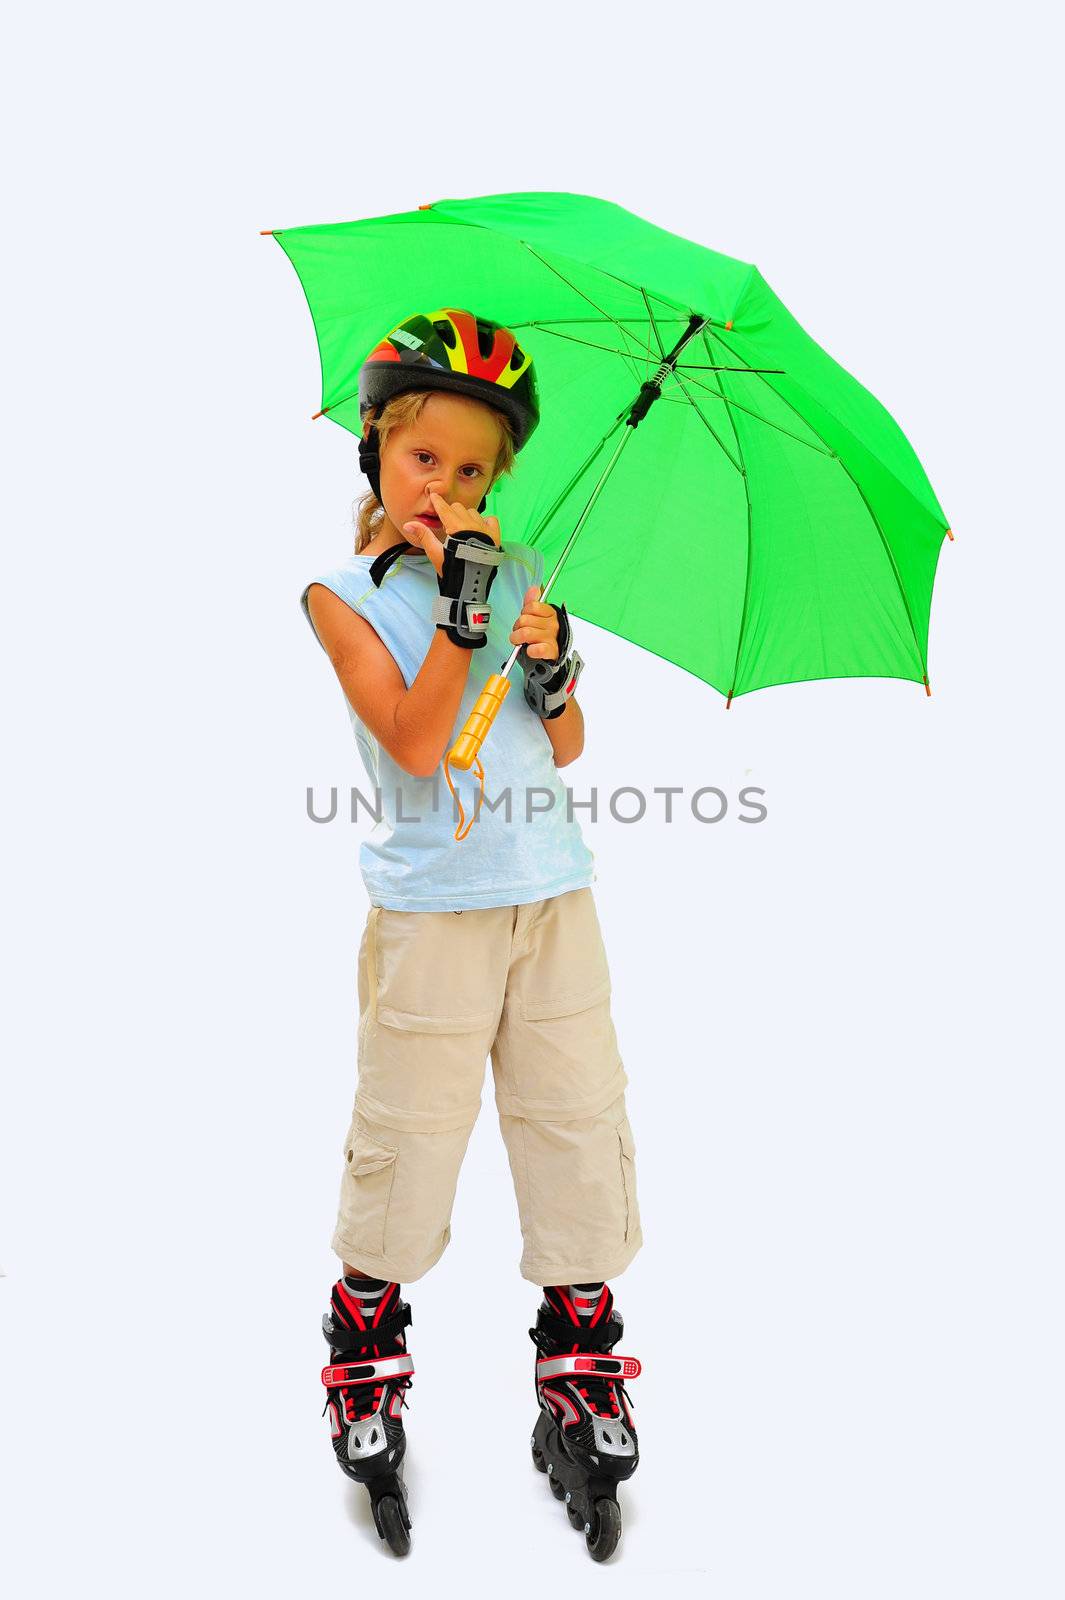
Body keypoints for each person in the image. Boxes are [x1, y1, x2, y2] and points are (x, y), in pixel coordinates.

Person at [300, 308, 642, 1560]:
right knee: (411, 1134)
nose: (444, 485)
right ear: (377, 452)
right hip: (432, 912)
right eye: (421, 458)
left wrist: (552, 669)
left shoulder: (522, 571)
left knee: (573, 1122)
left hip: (553, 896)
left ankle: (583, 1354)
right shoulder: (342, 598)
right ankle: (367, 1337)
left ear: (501, 480)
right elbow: (411, 736)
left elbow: (563, 748)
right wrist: (458, 611)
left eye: (473, 468)